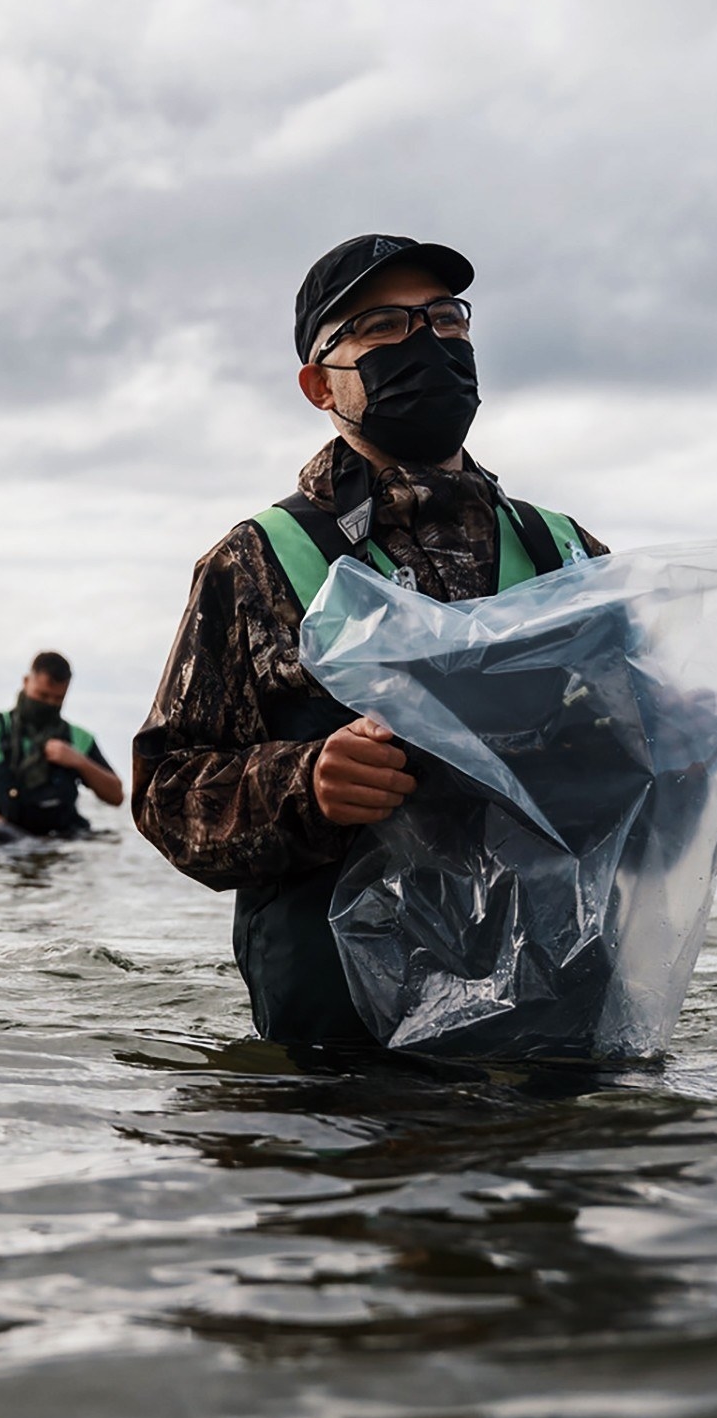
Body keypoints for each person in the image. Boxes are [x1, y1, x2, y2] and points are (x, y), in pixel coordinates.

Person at [132, 234, 608, 1048]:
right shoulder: (255, 560)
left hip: (554, 1026)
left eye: (445, 319)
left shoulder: (567, 554)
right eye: (383, 327)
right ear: (319, 383)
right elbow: (165, 796)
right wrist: (305, 782)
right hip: (343, 1056)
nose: (426, 342)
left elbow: (648, 771)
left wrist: (686, 739)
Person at [0, 652, 123, 838]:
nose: (49, 703)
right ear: (26, 681)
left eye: (58, 699)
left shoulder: (77, 738)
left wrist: (79, 761)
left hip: (64, 841)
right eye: (42, 696)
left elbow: (116, 795)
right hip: (6, 839)